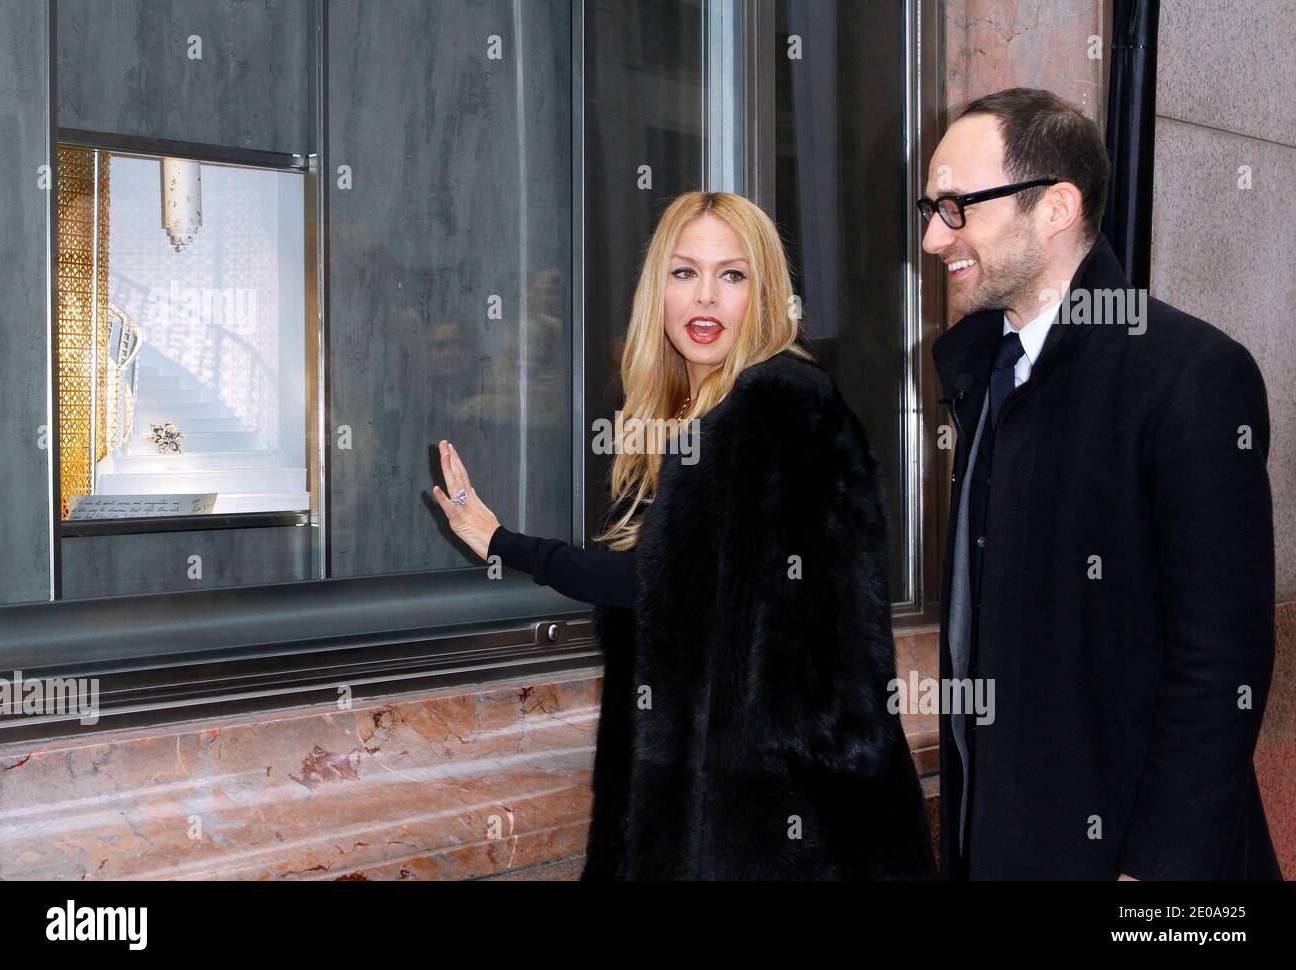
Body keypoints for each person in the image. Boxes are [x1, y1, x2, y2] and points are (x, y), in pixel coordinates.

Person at [431, 191, 935, 880]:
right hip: (713, 801)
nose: (705, 298)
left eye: (732, 275)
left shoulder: (777, 403)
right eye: (683, 272)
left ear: (765, 293)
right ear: (657, 290)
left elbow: (658, 583)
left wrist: (505, 543)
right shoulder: (684, 416)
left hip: (774, 820)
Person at [920, 87, 1279, 879]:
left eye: (956, 208)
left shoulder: (1189, 374)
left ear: (1055, 208)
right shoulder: (983, 371)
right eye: (931, 207)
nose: (932, 237)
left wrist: (1150, 876)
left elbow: (1222, 665)